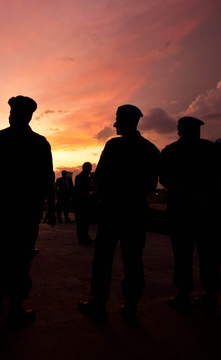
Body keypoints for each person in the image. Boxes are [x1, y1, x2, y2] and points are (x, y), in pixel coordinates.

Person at [78, 104, 159, 324]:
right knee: (133, 260)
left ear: (126, 120)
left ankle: (99, 302)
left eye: (117, 120)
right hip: (136, 211)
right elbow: (151, 184)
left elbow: (101, 177)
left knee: (103, 258)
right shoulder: (151, 149)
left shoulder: (113, 145)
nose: (114, 124)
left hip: (112, 211)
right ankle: (131, 305)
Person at [0, 95, 56, 329]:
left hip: (11, 212)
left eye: (14, 111)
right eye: (12, 111)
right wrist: (52, 209)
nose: (11, 115)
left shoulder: (1, 140)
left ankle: (4, 304)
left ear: (22, 115)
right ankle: (7, 305)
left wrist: (52, 208)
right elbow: (48, 179)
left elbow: (48, 178)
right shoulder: (37, 142)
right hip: (19, 213)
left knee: (8, 257)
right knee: (12, 258)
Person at [160, 117, 221, 313]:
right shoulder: (211, 149)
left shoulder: (170, 150)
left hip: (181, 211)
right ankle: (210, 296)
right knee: (209, 255)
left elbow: (164, 179)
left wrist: (185, 196)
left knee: (183, 254)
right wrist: (205, 197)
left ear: (179, 130)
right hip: (207, 210)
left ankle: (183, 295)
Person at [74, 162, 96, 245]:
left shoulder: (88, 178)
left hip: (88, 204)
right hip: (82, 204)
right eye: (88, 169)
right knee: (82, 222)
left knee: (86, 222)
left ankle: (85, 237)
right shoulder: (79, 178)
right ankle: (82, 238)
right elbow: (80, 191)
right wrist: (91, 193)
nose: (89, 171)